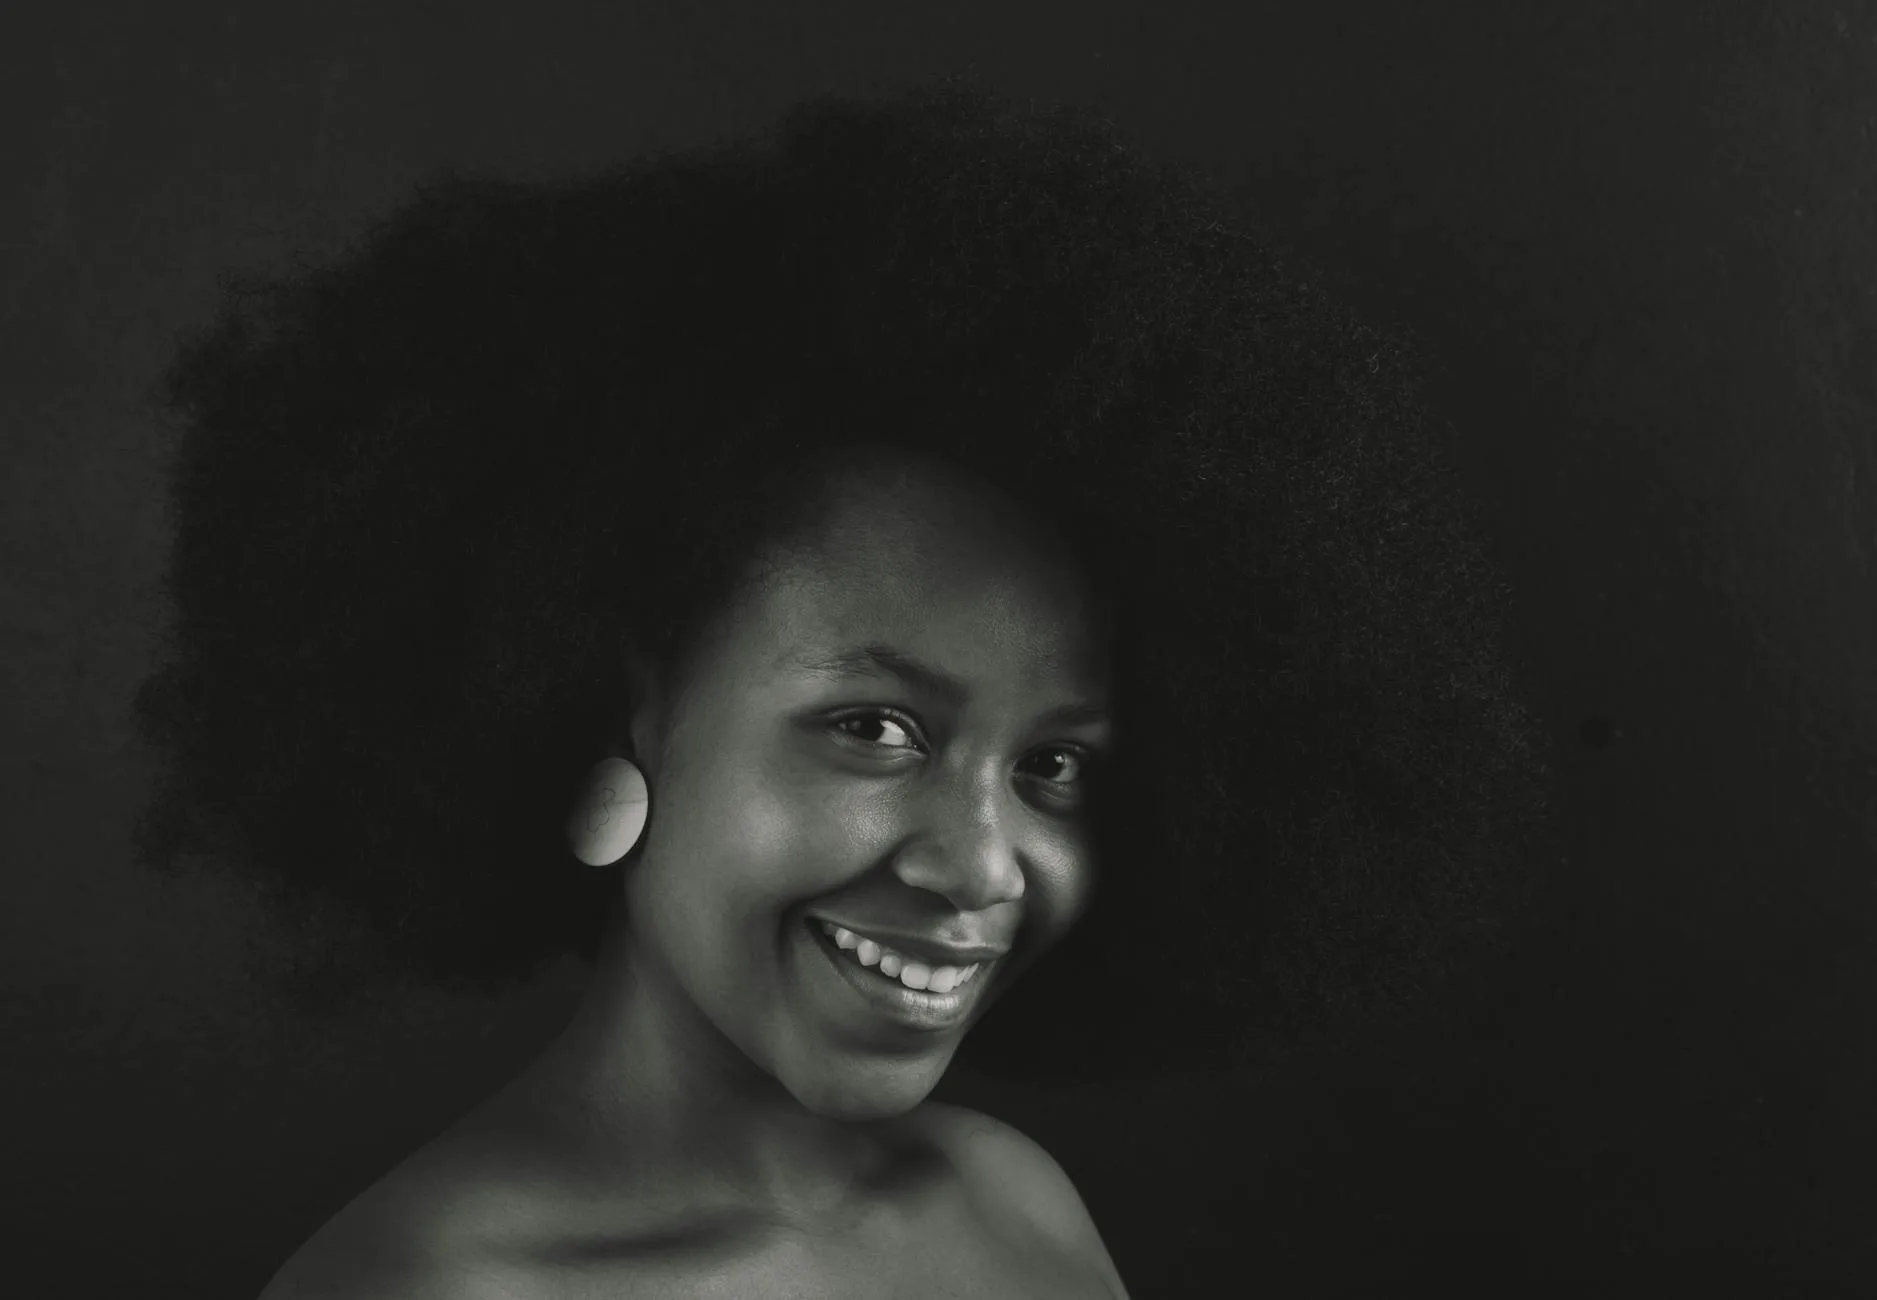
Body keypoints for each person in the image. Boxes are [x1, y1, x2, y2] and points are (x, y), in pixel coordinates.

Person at [131, 80, 1556, 1298]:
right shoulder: (430, 1293)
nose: (981, 862)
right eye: (875, 729)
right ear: (626, 706)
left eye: (1052, 764)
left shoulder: (1011, 1210)